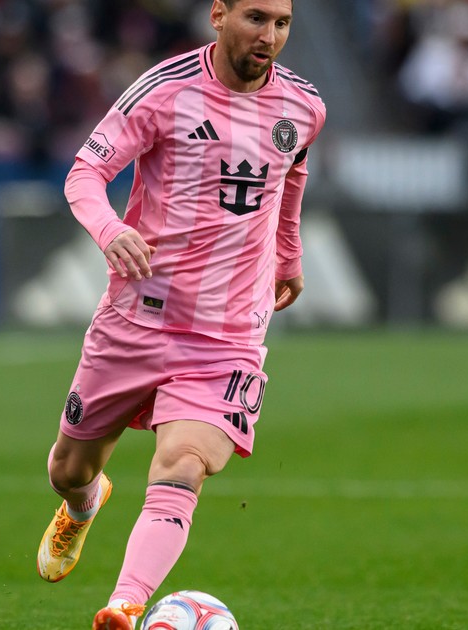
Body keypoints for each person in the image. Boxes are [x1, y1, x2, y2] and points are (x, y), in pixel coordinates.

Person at [33, 1, 325, 628]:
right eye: (255, 18)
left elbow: (292, 176)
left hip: (228, 332)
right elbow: (85, 173)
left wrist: (289, 255)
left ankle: (126, 603)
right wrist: (111, 229)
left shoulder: (303, 106)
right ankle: (84, 504)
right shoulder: (164, 91)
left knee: (183, 462)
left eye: (282, 23)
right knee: (68, 468)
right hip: (137, 318)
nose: (269, 36)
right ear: (218, 14)